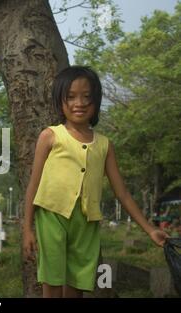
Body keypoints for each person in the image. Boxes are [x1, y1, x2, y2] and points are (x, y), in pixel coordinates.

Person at [22, 66, 169, 298]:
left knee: (77, 282)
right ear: (59, 101)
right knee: (52, 279)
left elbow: (123, 194)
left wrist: (150, 230)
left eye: (86, 96)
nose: (79, 103)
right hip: (52, 216)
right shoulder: (50, 136)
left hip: (87, 221)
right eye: (70, 97)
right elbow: (33, 184)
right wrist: (27, 229)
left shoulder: (104, 145)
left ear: (96, 101)